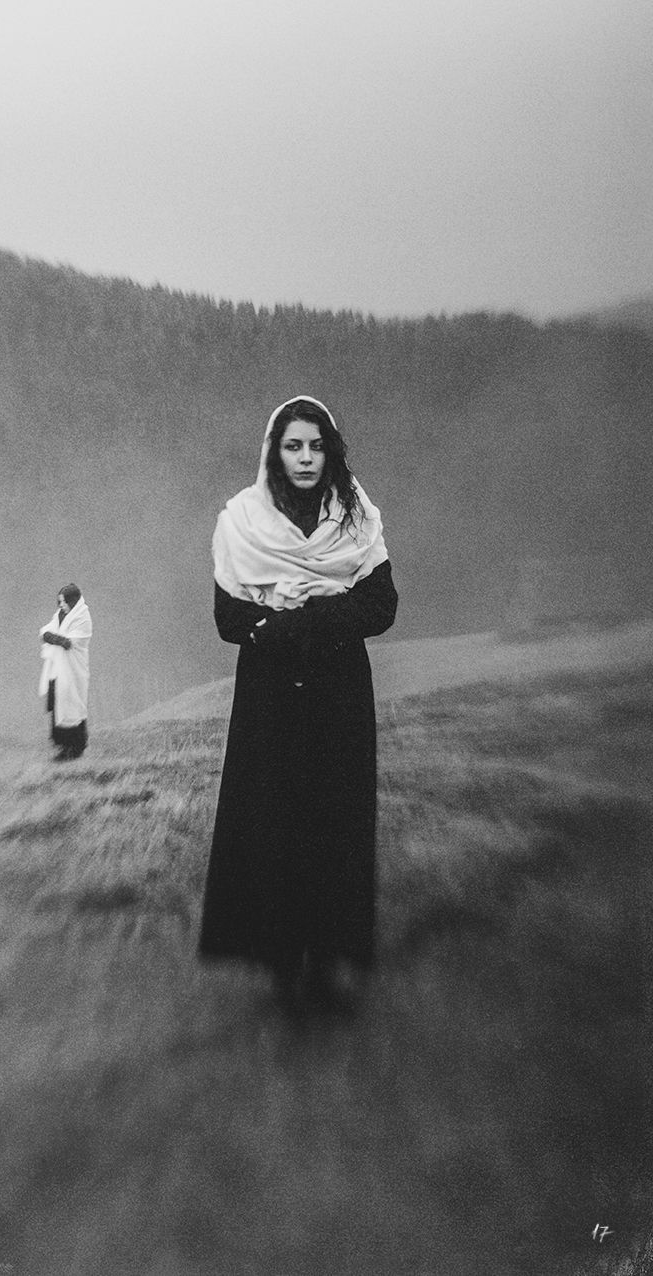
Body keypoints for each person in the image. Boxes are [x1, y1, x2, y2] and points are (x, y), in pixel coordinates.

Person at [198, 396, 398, 1014]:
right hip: (271, 694)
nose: (306, 458)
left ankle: (329, 962)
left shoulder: (357, 519)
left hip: (340, 691)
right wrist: (281, 618)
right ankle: (282, 962)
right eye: (293, 446)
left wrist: (317, 610)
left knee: (335, 819)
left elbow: (382, 607)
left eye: (316, 446)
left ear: (329, 451)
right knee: (274, 821)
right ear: (274, 453)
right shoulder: (242, 521)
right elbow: (229, 619)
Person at [39, 583, 92, 760]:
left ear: (72, 601)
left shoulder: (82, 618)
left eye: (64, 601)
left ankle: (75, 747)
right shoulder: (60, 615)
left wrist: (51, 637)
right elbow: (47, 630)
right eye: (59, 602)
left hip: (73, 669)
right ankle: (62, 744)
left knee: (72, 703)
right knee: (58, 701)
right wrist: (50, 636)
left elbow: (71, 642)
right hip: (58, 669)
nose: (61, 605)